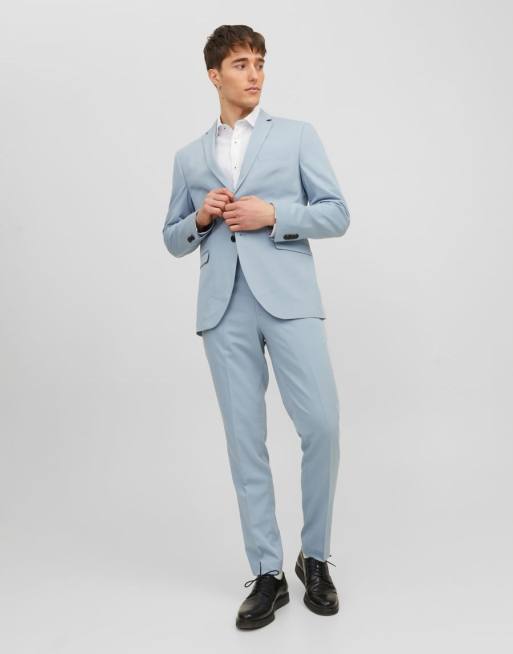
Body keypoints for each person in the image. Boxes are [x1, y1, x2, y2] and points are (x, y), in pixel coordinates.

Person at [162, 24, 350, 630]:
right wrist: (199, 218)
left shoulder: (296, 136)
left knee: (321, 425)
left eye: (260, 62)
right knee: (246, 442)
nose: (255, 74)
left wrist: (275, 214)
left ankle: (314, 557)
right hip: (224, 309)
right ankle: (267, 572)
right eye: (241, 64)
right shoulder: (189, 157)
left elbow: (337, 214)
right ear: (214, 75)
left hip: (289, 299)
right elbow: (172, 239)